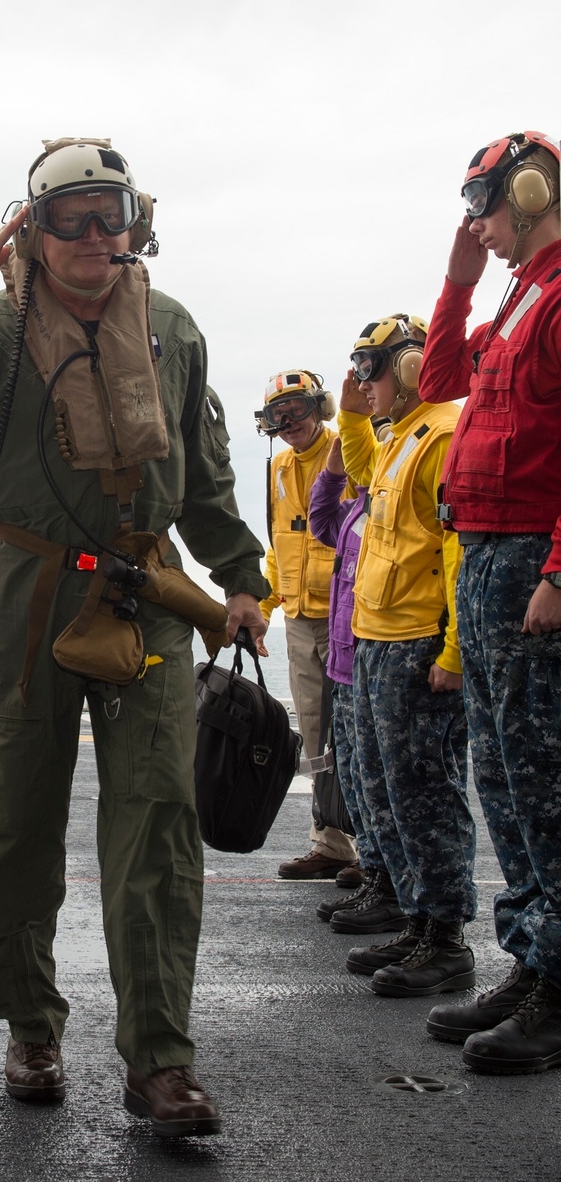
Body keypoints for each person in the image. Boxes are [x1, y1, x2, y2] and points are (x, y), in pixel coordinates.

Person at [0, 137, 269, 1137]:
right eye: (66, 214)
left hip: (147, 589)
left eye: (107, 211)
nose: (90, 233)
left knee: (158, 821)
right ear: (30, 226)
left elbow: (202, 474)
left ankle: (160, 1060)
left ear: (135, 219)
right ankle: (30, 1021)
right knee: (17, 822)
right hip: (28, 587)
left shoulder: (171, 328)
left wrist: (241, 575)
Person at [418, 130, 561, 1074]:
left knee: (544, 782)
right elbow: (437, 384)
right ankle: (536, 956)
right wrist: (461, 281)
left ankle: (559, 982)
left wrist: (560, 573)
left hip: (529, 564)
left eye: (484, 205)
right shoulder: (519, 299)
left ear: (532, 187)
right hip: (486, 556)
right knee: (504, 776)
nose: (479, 224)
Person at [337, 315, 477, 997]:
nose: (365, 384)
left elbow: (453, 549)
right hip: (377, 638)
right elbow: (361, 466)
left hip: (419, 641)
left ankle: (446, 939)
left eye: (374, 369)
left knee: (426, 793)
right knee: (386, 788)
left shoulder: (443, 433)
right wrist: (348, 404)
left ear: (414, 366)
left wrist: (454, 650)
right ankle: (418, 919)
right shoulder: (398, 439)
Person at [255, 371, 358, 881]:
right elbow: (278, 547)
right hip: (298, 616)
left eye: (296, 408)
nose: (288, 421)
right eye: (278, 414)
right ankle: (332, 844)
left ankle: (376, 850)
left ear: (321, 406)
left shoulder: (349, 451)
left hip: (347, 614)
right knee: (315, 730)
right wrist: (266, 607)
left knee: (359, 731)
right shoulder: (276, 468)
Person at [307, 422, 405, 935]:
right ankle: (375, 871)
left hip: (371, 656)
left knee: (382, 785)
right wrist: (334, 469)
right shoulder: (358, 509)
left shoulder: (388, 509)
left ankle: (392, 888)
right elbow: (319, 520)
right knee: (357, 782)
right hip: (345, 663)